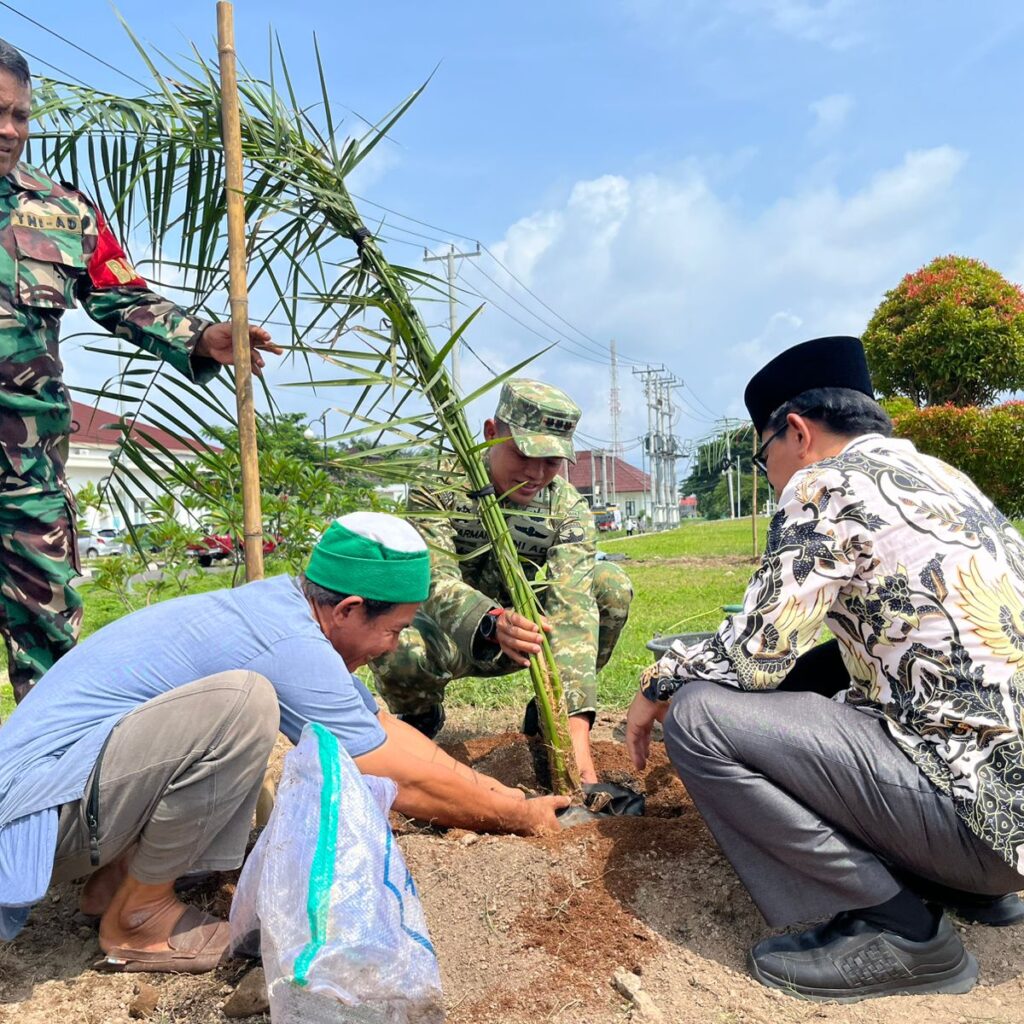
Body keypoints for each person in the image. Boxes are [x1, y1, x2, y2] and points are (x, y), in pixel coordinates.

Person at [625, 336, 1024, 1002]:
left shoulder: (827, 481)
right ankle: (959, 887)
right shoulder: (945, 481)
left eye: (764, 454)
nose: (770, 473)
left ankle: (900, 929)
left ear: (799, 433)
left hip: (973, 828)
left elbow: (751, 655)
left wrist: (660, 680)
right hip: (1008, 819)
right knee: (821, 670)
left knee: (698, 718)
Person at [0, 512, 568, 973]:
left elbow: (379, 731)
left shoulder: (284, 611)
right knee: (242, 705)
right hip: (39, 820)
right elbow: (391, 770)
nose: (393, 648)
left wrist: (507, 798)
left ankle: (116, 885)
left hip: (68, 802)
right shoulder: (286, 642)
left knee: (237, 706)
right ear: (347, 609)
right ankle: (139, 919)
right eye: (393, 629)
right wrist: (517, 820)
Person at [0, 39, 281, 702]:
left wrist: (203, 338)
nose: (9, 131)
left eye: (20, 115)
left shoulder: (62, 213)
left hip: (25, 480)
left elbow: (123, 297)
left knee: (52, 658)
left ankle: (56, 793)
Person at [371, 379, 633, 787]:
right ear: (491, 433)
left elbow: (572, 606)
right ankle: (418, 715)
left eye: (552, 461)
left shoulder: (565, 507)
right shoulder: (439, 486)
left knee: (609, 585)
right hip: (447, 638)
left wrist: (577, 746)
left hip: (527, 641)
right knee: (397, 645)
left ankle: (548, 714)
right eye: (524, 453)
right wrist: (491, 621)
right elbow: (433, 578)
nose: (536, 472)